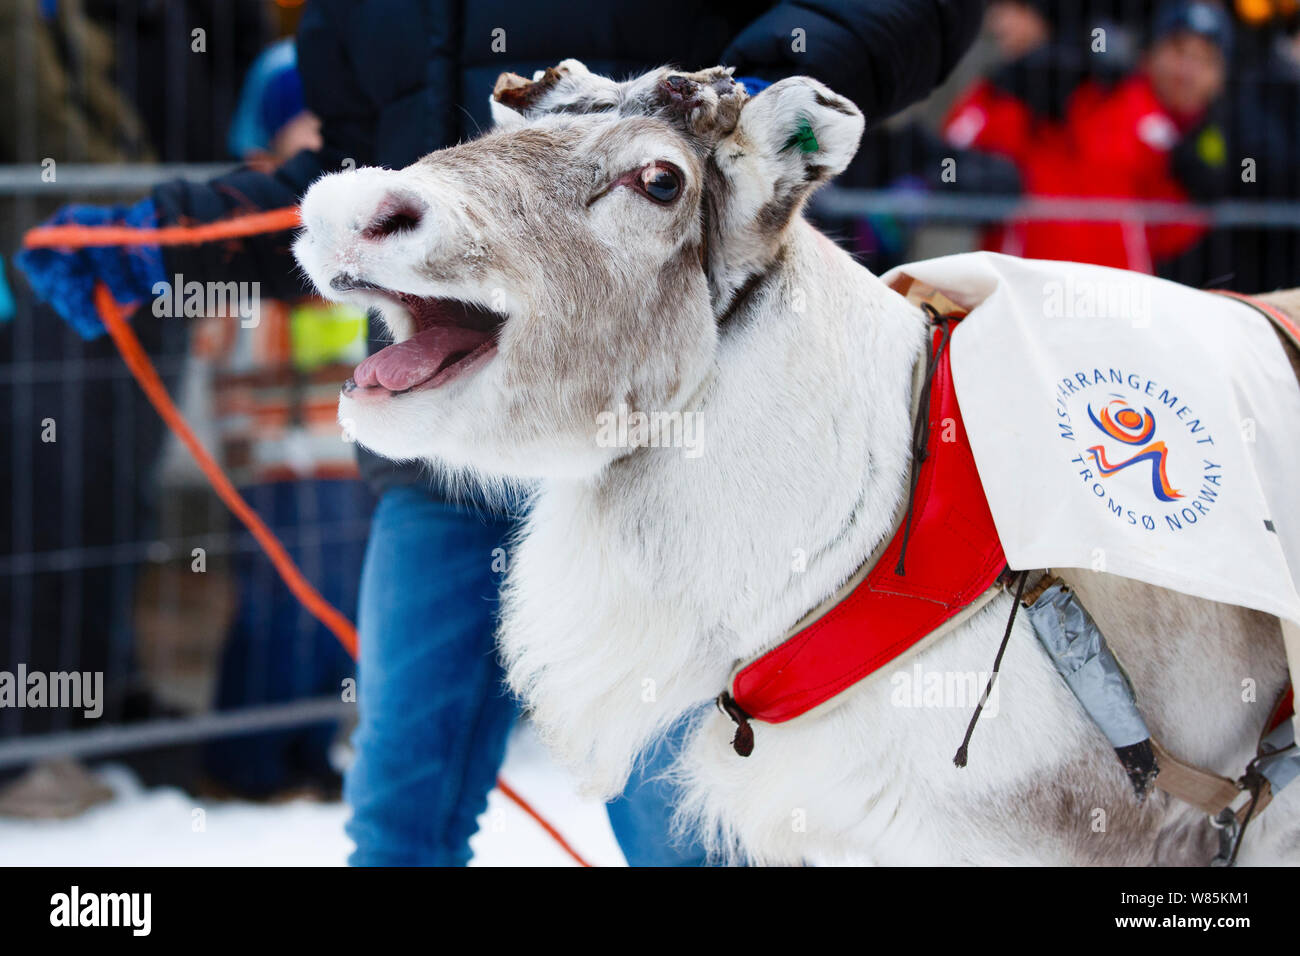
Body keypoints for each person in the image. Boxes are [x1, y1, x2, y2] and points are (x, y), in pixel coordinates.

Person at [16, 0, 986, 866]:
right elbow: (362, 169)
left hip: (660, 447)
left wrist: (754, 79)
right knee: (398, 814)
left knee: (680, 829)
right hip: (453, 429)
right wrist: (172, 232)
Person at [944, 0, 1231, 272]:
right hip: (1022, 293)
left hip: (1118, 296)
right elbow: (950, 157)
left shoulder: (1125, 97)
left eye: (1017, 8)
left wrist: (1200, 187)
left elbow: (1169, 221)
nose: (999, 23)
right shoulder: (1005, 93)